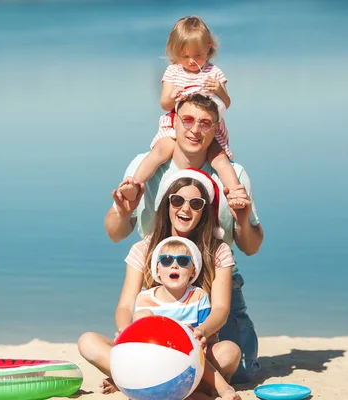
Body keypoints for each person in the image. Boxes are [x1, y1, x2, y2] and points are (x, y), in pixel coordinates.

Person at [106, 92, 264, 384]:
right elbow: (116, 233)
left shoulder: (234, 174)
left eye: (205, 123)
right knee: (156, 358)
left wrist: (242, 217)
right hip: (161, 281)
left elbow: (251, 247)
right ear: (173, 122)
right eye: (188, 120)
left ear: (216, 129)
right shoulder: (145, 169)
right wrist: (122, 209)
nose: (194, 130)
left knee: (240, 371)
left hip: (217, 280)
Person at [79, 168, 242, 399]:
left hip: (196, 348)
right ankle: (185, 387)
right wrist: (127, 332)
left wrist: (201, 332)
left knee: (230, 353)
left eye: (195, 204)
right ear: (167, 204)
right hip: (150, 345)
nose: (185, 208)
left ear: (203, 212)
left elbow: (221, 309)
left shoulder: (217, 251)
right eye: (177, 200)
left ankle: (135, 381)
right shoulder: (144, 249)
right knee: (88, 342)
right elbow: (125, 306)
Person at [119, 16, 241, 209]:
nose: (192, 61)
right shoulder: (173, 72)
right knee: (161, 150)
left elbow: (226, 103)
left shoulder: (214, 72)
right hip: (176, 122)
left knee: (219, 159)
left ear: (208, 48)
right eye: (185, 56)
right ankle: (135, 184)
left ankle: (236, 193)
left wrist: (218, 89)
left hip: (208, 126)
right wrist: (172, 96)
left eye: (198, 55)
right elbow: (164, 103)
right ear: (176, 52)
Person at [132, 236, 241, 400]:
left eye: (183, 261)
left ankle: (219, 389)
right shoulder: (145, 299)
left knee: (229, 350)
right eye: (166, 260)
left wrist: (201, 340)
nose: (174, 264)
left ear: (193, 271)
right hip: (157, 358)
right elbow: (138, 341)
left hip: (194, 357)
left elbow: (210, 339)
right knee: (141, 317)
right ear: (157, 269)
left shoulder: (199, 296)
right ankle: (201, 391)